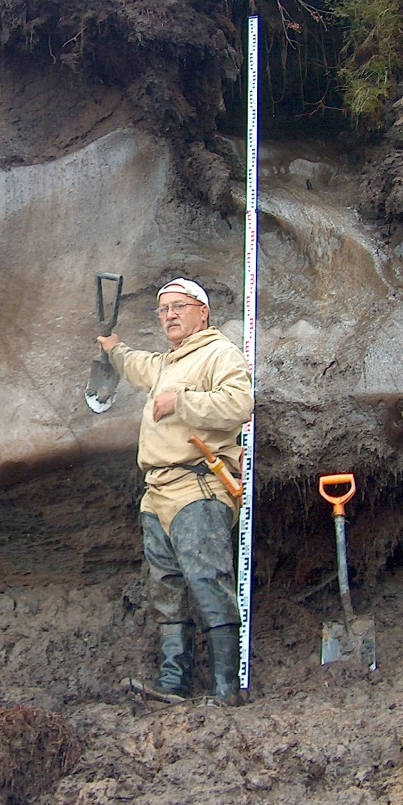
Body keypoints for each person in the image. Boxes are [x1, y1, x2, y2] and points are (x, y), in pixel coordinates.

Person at [98, 278, 254, 705]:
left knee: (208, 581)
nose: (169, 315)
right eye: (163, 309)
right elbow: (137, 365)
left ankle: (226, 688)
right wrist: (113, 349)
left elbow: (239, 406)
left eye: (179, 307)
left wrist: (181, 402)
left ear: (202, 312)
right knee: (166, 588)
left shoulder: (219, 354)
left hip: (198, 487)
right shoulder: (167, 362)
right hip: (157, 493)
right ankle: (174, 682)